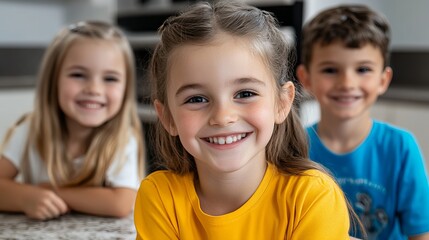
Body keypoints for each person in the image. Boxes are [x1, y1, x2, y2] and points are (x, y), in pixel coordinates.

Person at [134, 1, 361, 239]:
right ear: (167, 117)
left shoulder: (311, 198)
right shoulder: (159, 197)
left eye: (245, 94)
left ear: (282, 103)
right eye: (197, 99)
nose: (223, 117)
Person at [297, 4, 429, 240]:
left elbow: (421, 233)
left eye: (363, 69)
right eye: (330, 70)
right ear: (306, 78)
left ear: (383, 80)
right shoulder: (294, 147)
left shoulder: (400, 147)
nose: (347, 83)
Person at [0, 21, 146, 220]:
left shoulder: (123, 138)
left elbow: (120, 203)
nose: (94, 89)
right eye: (78, 75)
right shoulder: (30, 131)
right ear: (53, 81)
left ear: (126, 88)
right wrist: (27, 198)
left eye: (110, 79)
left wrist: (52, 191)